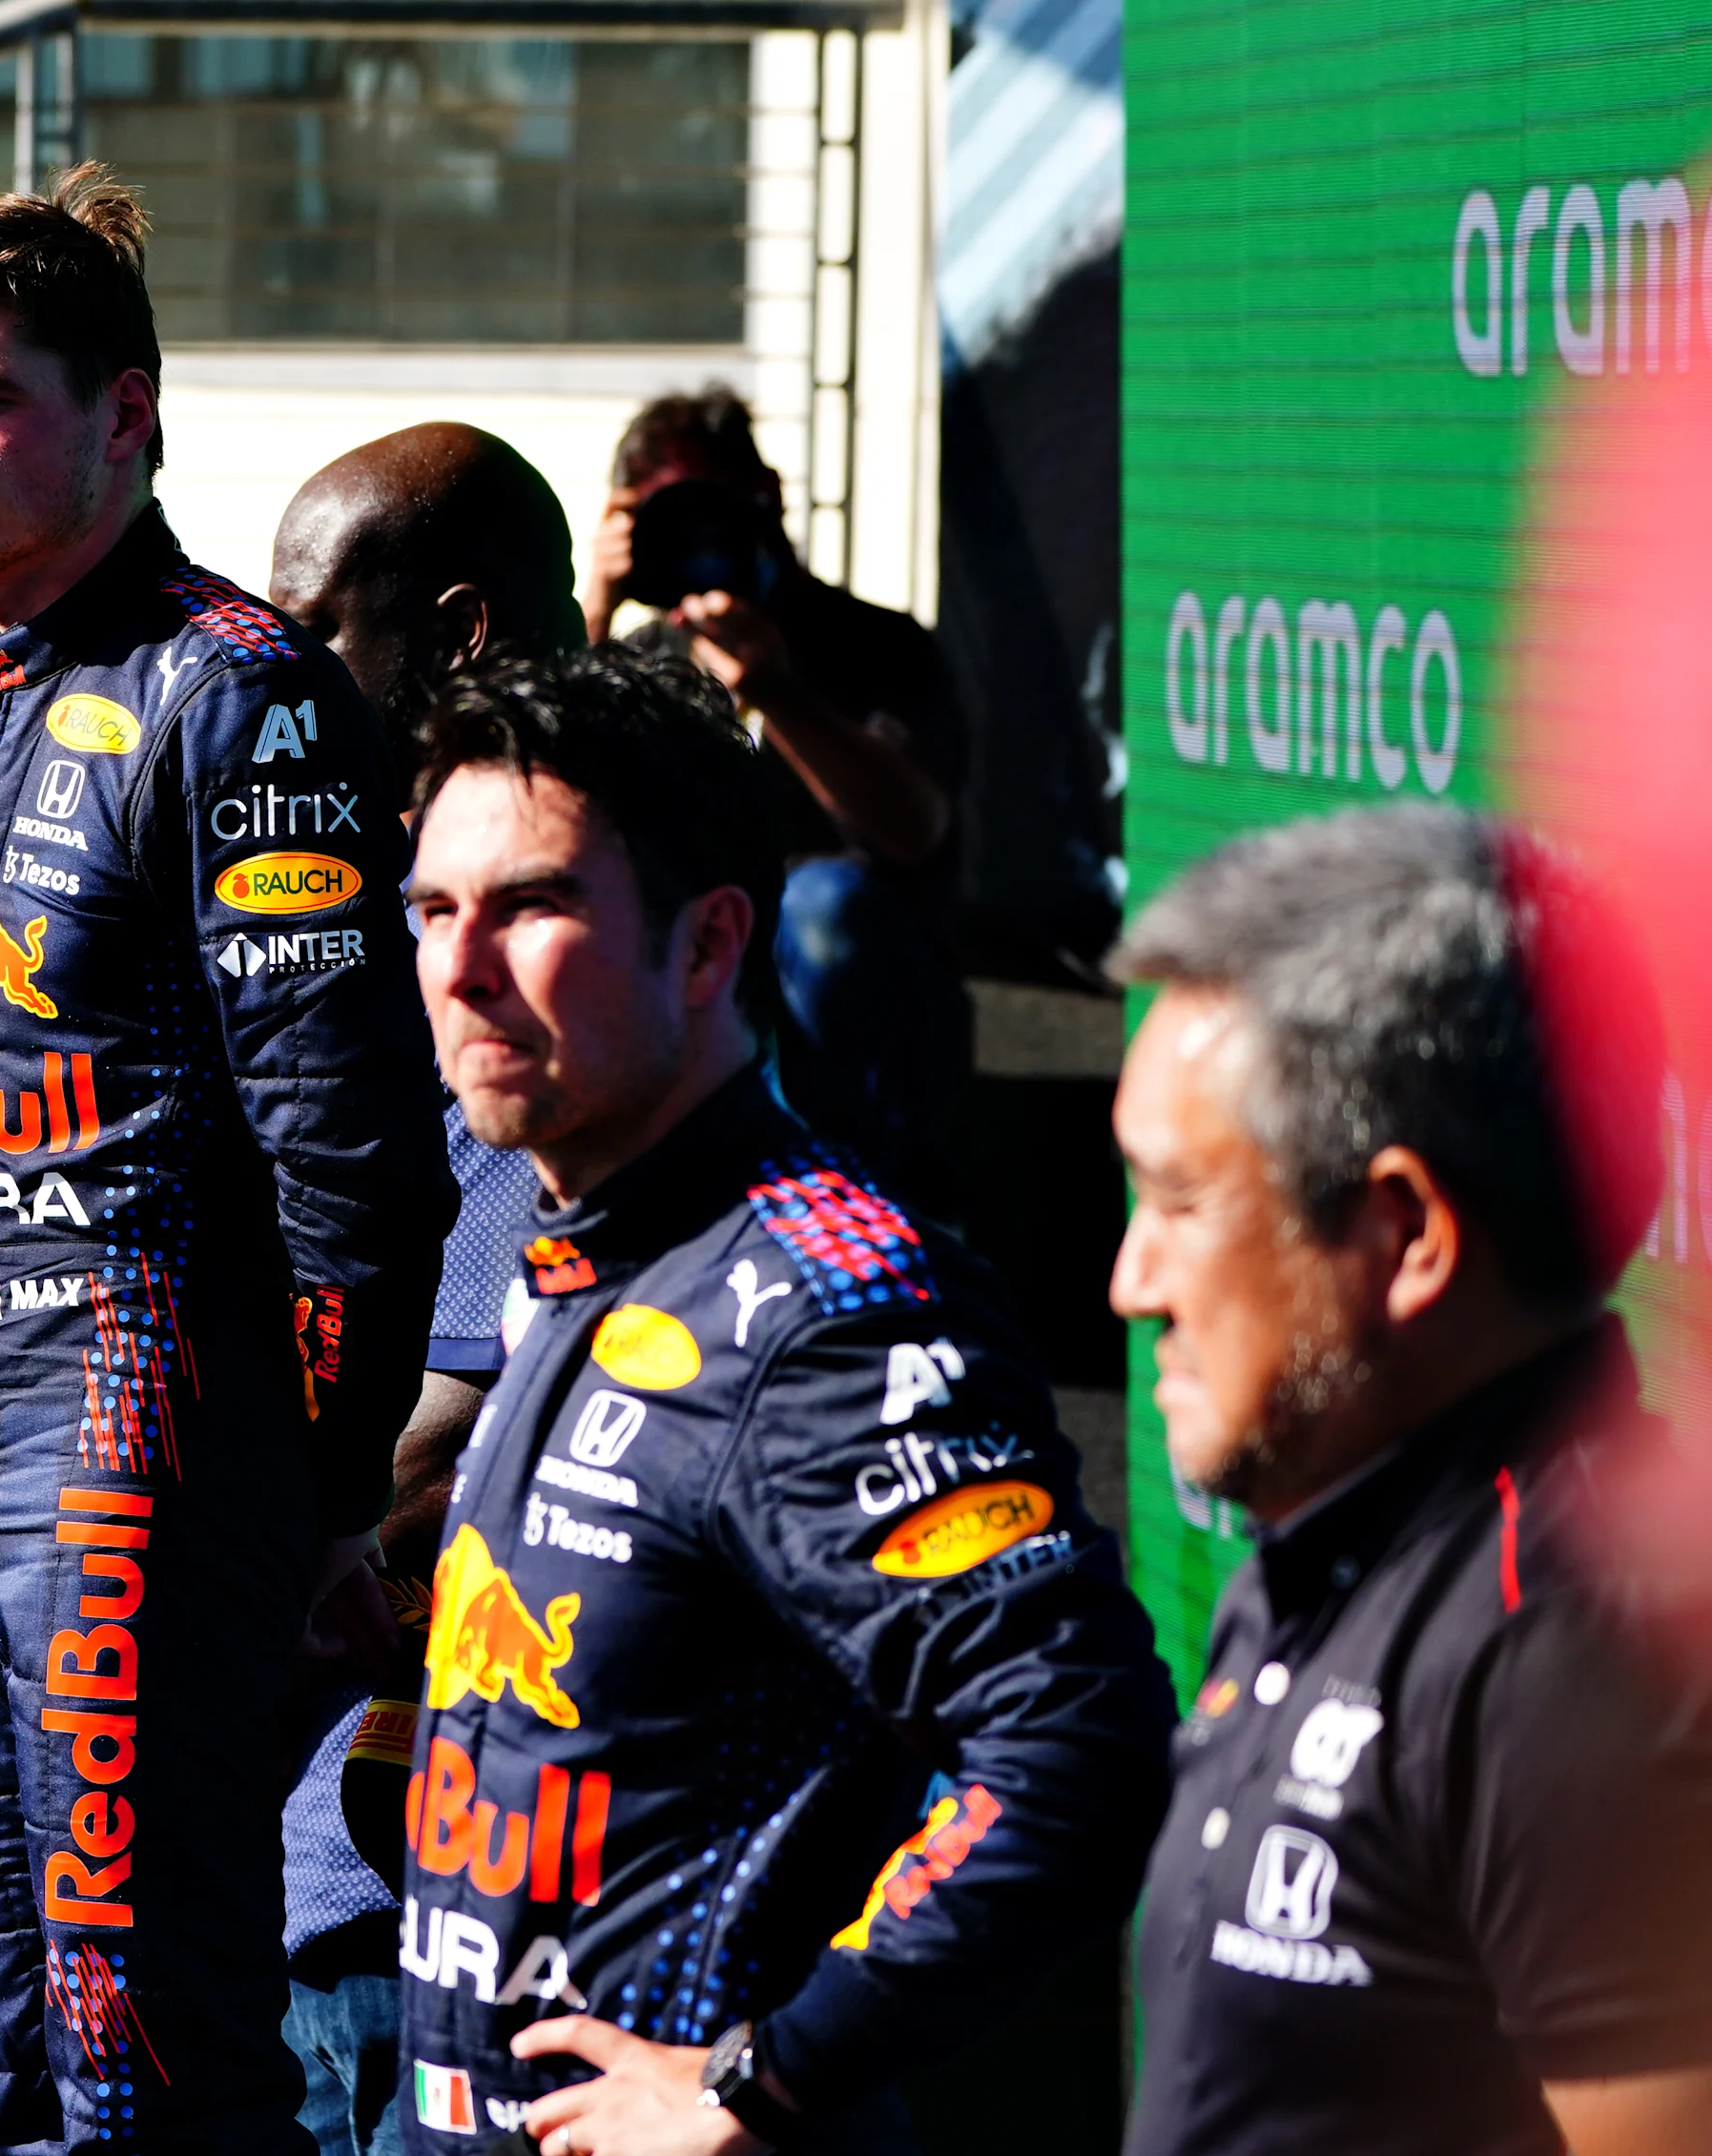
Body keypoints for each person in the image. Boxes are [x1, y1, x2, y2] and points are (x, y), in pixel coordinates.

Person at [0, 167, 456, 2151]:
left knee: (146, 2057)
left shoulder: (238, 687)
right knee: (20, 2044)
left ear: (125, 415)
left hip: (145, 1453)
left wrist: (315, 1505)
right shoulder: (3, 695)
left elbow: (353, 1155)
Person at [397, 644, 1170, 2154]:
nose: (461, 965)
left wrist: (770, 2076)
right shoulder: (589, 1241)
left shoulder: (822, 1306)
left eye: (533, 905)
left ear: (709, 944)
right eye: (434, 909)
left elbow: (1074, 1735)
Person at [1109, 807, 1712, 2156]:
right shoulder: (1341, 1515)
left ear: (1406, 1236)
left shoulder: (1576, 1655)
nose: (1130, 1280)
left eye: (1182, 1203)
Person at [262, 420, 588, 2155]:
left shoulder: (520, 1019)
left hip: (445, 1914)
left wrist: (123, 1657)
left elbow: (424, 1446)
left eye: (308, 631)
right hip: (332, 1868)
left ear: (457, 633)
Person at [585, 388, 969, 1209]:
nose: (696, 539)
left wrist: (781, 694)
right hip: (702, 987)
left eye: (709, 509)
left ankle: (869, 1219)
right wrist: (594, 603)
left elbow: (914, 832)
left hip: (869, 1017)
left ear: (768, 498)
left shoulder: (877, 643)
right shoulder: (643, 663)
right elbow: (542, 813)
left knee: (822, 904)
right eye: (665, 519)